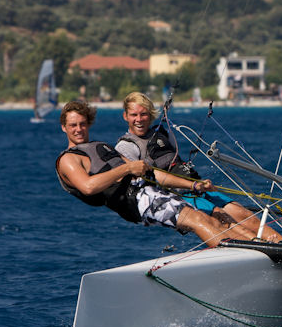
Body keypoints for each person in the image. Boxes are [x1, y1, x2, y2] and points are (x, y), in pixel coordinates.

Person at [55, 101, 256, 247]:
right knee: (198, 221)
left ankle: (254, 248)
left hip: (148, 190)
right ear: (64, 127)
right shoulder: (68, 159)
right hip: (134, 201)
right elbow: (88, 187)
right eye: (73, 125)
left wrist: (193, 185)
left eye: (82, 124)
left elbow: (150, 174)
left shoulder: (101, 146)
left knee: (209, 219)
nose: (79, 129)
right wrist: (126, 168)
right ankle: (237, 254)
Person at [115, 92, 282, 242]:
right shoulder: (126, 146)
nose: (139, 119)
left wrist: (197, 185)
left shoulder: (159, 133)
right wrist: (192, 185)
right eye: (134, 115)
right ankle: (263, 247)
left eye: (143, 114)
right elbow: (145, 179)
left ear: (150, 115)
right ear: (125, 116)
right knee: (223, 218)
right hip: (175, 196)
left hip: (197, 187)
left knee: (243, 214)